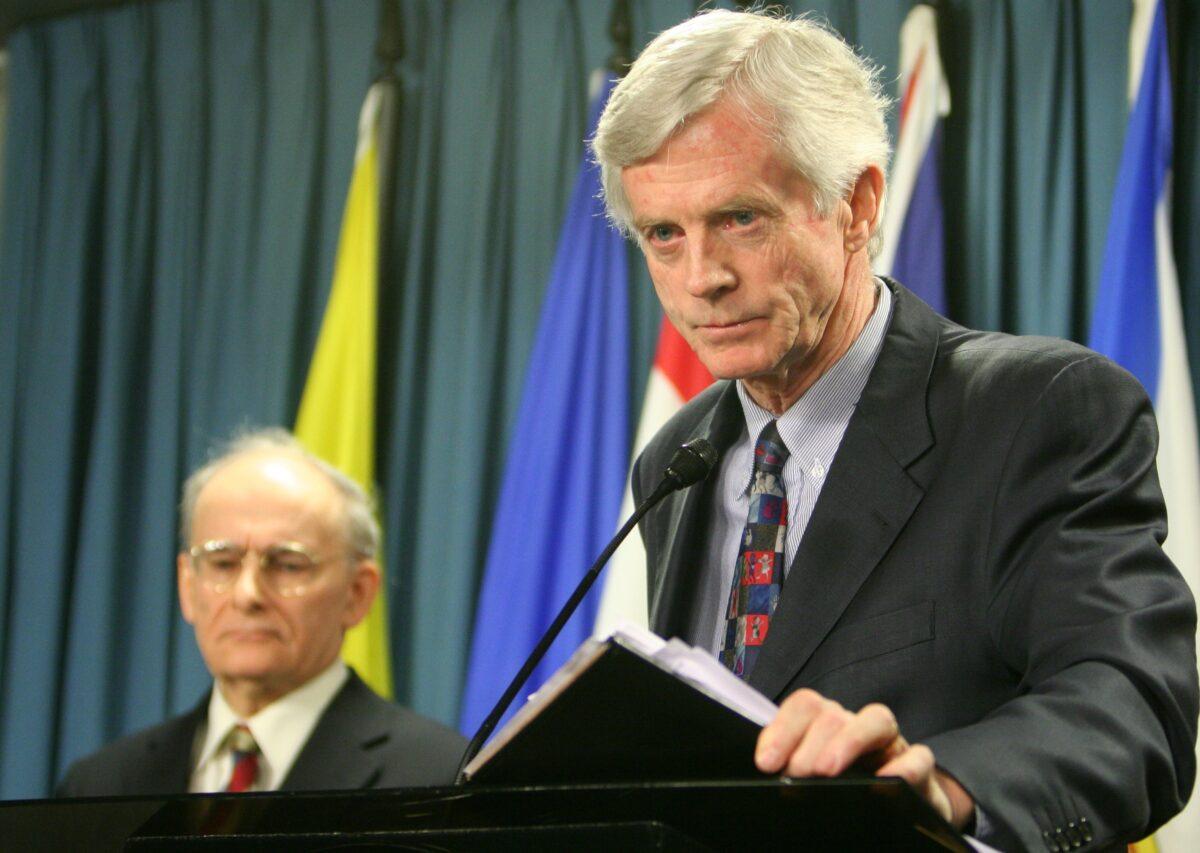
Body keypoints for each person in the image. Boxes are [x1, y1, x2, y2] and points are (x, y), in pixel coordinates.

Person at [592, 9, 1198, 850]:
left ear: (856, 205)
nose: (703, 278)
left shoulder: (1034, 412)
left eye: (741, 218)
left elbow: (1132, 702)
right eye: (664, 234)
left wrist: (943, 782)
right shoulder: (678, 459)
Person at [57, 429, 465, 796]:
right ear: (187, 585)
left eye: (288, 564)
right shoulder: (98, 785)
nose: (247, 595)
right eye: (223, 563)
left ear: (357, 594)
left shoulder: (441, 779)